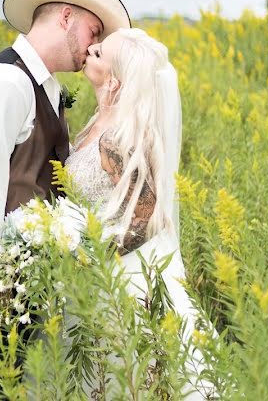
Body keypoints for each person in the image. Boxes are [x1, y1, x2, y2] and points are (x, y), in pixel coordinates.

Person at [0, 0, 131, 401]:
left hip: (21, 276)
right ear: (66, 17)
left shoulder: (45, 87)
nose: (93, 45)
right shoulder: (6, 83)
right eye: (93, 30)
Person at [64, 27, 212, 399]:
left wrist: (88, 251)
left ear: (115, 79)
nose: (91, 48)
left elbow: (146, 217)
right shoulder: (98, 124)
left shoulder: (118, 138)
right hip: (98, 268)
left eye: (100, 53)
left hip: (124, 278)